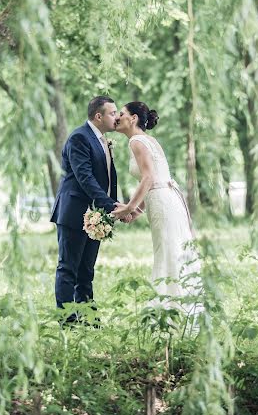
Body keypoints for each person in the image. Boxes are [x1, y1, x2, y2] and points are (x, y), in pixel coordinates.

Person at [112, 101, 201, 309]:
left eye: (121, 113)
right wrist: (139, 210)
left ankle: (170, 309)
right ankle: (181, 305)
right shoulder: (149, 139)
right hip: (167, 199)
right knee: (172, 249)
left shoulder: (136, 141)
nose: (117, 117)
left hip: (163, 202)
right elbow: (158, 180)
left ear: (133, 119)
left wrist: (129, 207)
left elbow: (149, 178)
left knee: (167, 251)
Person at [50, 95, 119, 326]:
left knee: (86, 271)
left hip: (95, 216)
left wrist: (113, 207)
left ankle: (89, 319)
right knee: (68, 268)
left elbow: (108, 177)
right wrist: (111, 205)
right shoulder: (80, 137)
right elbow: (85, 178)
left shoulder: (103, 140)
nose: (117, 117)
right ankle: (67, 322)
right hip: (73, 212)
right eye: (112, 113)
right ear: (98, 116)